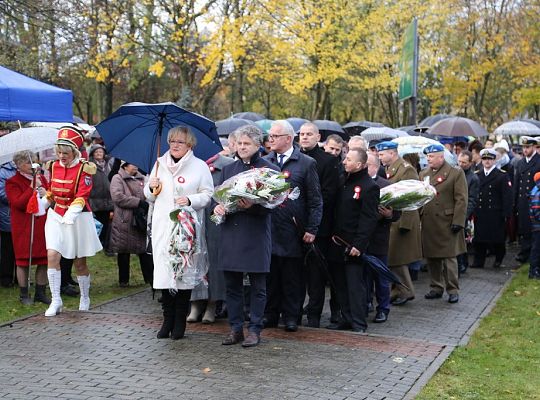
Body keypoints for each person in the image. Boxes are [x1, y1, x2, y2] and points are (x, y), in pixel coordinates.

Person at [144, 126, 213, 340]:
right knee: (164, 273)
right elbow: (149, 196)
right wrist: (151, 187)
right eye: (172, 141)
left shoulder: (199, 166)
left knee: (183, 273)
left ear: (189, 145)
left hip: (186, 229)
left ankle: (180, 321)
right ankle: (167, 320)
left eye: (180, 142)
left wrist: (191, 200)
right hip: (164, 226)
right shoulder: (159, 164)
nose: (174, 145)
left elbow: (208, 194)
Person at [213, 125, 278, 347]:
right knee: (232, 285)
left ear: (258, 145)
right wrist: (218, 207)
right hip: (231, 233)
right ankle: (235, 328)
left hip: (255, 234)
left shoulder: (269, 170)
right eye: (239, 143)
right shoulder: (229, 169)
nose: (242, 147)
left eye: (246, 144)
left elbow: (274, 206)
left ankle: (255, 330)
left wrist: (253, 205)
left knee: (258, 285)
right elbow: (218, 196)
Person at [263, 120, 322, 332]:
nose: (270, 140)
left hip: (293, 230)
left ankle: (291, 316)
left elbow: (315, 200)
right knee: (270, 276)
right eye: (269, 136)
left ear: (288, 138)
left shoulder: (305, 163)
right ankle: (270, 314)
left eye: (275, 136)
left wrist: (312, 229)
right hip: (268, 228)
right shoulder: (264, 161)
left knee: (292, 277)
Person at [43, 126, 103, 316]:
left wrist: (71, 214)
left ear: (74, 151)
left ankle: (84, 297)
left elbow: (82, 195)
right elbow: (53, 191)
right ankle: (56, 300)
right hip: (56, 215)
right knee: (52, 255)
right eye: (59, 152)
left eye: (66, 152)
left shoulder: (84, 168)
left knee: (79, 263)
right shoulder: (53, 166)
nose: (61, 155)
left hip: (78, 217)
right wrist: (42, 202)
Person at [327, 148, 379, 332]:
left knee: (354, 285)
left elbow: (368, 219)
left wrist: (359, 244)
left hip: (352, 246)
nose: (344, 162)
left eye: (348, 159)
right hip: (336, 243)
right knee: (339, 284)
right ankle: (346, 318)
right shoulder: (343, 181)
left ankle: (358, 322)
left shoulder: (369, 186)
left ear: (359, 164)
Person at [299, 122, 340, 328]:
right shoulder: (294, 158)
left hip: (319, 226)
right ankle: (293, 310)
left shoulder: (328, 161)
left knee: (316, 275)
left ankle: (314, 314)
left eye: (309, 134)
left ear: (318, 137)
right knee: (295, 272)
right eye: (302, 134)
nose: (304, 137)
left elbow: (329, 194)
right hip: (293, 224)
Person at [187, 151, 234, 324]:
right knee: (193, 258)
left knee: (214, 260)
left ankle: (212, 304)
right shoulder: (187, 164)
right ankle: (195, 303)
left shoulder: (227, 164)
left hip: (215, 220)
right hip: (191, 218)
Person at [419, 144, 468, 304]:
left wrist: (458, 221)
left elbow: (461, 199)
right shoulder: (424, 173)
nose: (428, 159)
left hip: (447, 222)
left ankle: (453, 289)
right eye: (427, 157)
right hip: (429, 221)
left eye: (431, 156)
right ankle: (436, 287)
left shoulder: (455, 173)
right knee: (432, 257)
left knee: (449, 259)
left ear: (441, 157)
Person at [376, 141, 421, 306]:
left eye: (382, 154)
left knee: (398, 258)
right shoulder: (389, 169)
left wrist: (405, 224)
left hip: (402, 219)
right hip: (392, 218)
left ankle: (406, 290)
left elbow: (412, 197)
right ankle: (397, 290)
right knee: (393, 257)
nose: (379, 157)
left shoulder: (406, 169)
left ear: (392, 153)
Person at [5, 151, 50, 305]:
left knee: (44, 260)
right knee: (23, 261)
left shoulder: (42, 178)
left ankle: (40, 292)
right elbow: (17, 203)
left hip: (42, 225)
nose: (32, 166)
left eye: (33, 161)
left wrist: (47, 193)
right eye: (27, 163)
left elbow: (51, 197)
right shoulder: (12, 182)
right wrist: (31, 187)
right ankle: (24, 294)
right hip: (24, 227)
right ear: (19, 165)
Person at [366, 153, 400, 323]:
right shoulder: (354, 181)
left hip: (378, 239)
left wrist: (389, 214)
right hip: (361, 240)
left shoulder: (386, 185)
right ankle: (366, 303)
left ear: (372, 166)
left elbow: (397, 214)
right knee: (363, 276)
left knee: (381, 277)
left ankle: (383, 308)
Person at [109, 161, 153, 287]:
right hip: (124, 220)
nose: (135, 166)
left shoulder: (143, 178)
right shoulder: (117, 178)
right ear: (125, 166)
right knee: (123, 251)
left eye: (136, 164)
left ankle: (149, 279)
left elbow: (148, 194)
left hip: (140, 220)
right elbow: (118, 197)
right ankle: (123, 281)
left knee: (144, 250)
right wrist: (138, 202)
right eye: (132, 164)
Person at [471, 149, 513, 269]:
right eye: (484, 159)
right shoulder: (477, 174)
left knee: (497, 239)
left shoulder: (502, 175)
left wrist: (506, 214)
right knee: (479, 239)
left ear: (494, 160)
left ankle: (499, 259)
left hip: (495, 212)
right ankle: (479, 261)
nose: (487, 161)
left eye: (489, 159)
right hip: (480, 211)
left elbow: (507, 196)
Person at [514, 136, 540, 265]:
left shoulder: (539, 161)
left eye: (528, 147)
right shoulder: (520, 163)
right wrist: (515, 203)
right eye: (523, 147)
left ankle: (531, 256)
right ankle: (525, 253)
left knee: (534, 230)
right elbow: (517, 184)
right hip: (523, 202)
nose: (525, 150)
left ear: (534, 147)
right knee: (524, 229)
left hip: (536, 201)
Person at [457, 150, 480, 274]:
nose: (461, 164)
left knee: (462, 240)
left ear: (470, 163)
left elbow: (472, 200)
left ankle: (462, 263)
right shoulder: (455, 173)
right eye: (459, 161)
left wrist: (464, 215)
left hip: (465, 213)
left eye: (464, 162)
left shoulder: (473, 178)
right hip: (455, 211)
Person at [88, 144, 114, 253]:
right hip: (95, 199)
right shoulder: (90, 165)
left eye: (101, 152)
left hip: (108, 199)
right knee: (97, 223)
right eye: (96, 152)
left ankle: (105, 243)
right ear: (93, 154)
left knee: (107, 223)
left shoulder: (108, 165)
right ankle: (96, 243)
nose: (99, 154)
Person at [0, 160, 17, 287]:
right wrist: (19, 198)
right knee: (8, 248)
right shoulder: (3, 171)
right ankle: (6, 277)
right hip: (8, 214)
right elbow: (2, 193)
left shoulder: (28, 169)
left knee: (21, 247)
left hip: (23, 214)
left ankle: (19, 276)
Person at [527, 172, 540, 279]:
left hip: (536, 225)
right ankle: (533, 271)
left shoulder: (536, 190)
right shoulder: (537, 193)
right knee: (536, 249)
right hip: (538, 226)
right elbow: (536, 211)